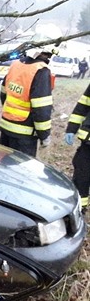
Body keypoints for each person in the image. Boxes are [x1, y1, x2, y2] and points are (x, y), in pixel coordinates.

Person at [0, 45, 57, 157]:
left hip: (5, 127)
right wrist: (44, 135)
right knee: (21, 172)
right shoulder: (41, 70)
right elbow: (41, 108)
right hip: (25, 135)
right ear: (48, 53)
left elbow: (3, 93)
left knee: (2, 169)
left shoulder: (15, 64)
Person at [64, 82, 90, 210]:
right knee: (81, 174)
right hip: (88, 143)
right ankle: (80, 208)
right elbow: (83, 106)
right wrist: (71, 129)